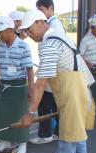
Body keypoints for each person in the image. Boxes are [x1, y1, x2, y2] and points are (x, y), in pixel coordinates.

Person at [19, 9, 95, 153]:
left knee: (67, 142)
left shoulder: (50, 44)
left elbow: (40, 83)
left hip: (73, 96)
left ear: (39, 22)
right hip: (79, 92)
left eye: (29, 30)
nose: (28, 35)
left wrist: (29, 113)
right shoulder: (59, 36)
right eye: (26, 32)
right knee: (78, 139)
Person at [0, 16, 34, 153]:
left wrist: (31, 89)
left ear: (9, 30)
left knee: (20, 116)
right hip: (4, 86)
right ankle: (5, 140)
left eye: (0, 32)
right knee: (3, 116)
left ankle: (22, 143)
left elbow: (29, 69)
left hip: (19, 86)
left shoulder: (23, 46)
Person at [29, 0, 66, 145]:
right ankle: (58, 132)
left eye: (41, 9)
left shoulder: (54, 26)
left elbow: (52, 53)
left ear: (50, 8)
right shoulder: (50, 24)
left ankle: (45, 134)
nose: (39, 12)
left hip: (53, 71)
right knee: (55, 104)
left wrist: (29, 113)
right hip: (52, 70)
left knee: (44, 104)